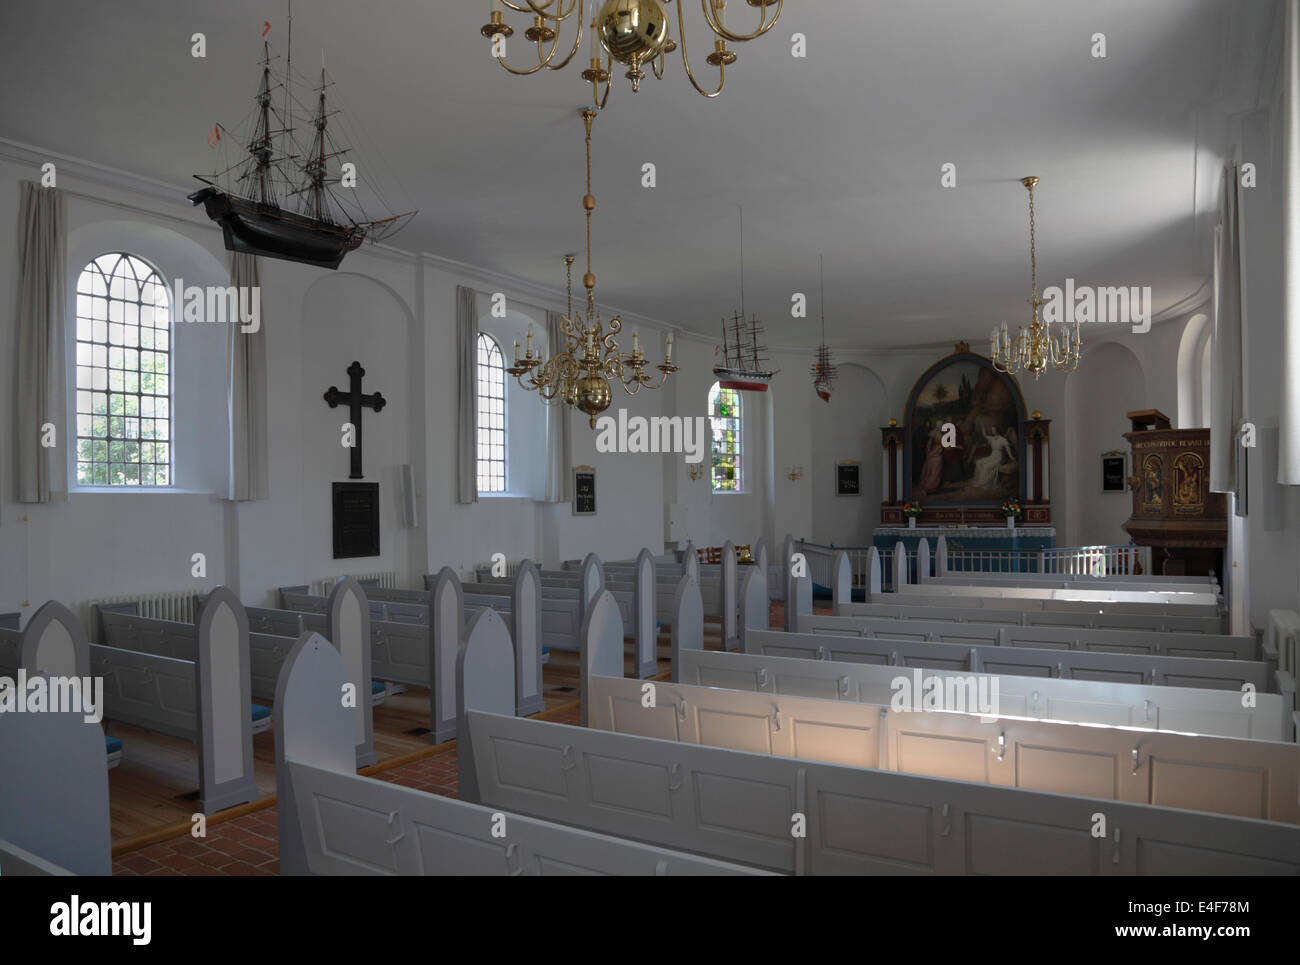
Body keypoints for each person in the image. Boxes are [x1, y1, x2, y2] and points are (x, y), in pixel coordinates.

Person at [972, 425, 1016, 490]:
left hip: (999, 457)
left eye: (994, 430)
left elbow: (1008, 449)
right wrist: (983, 428)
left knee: (986, 466)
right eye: (992, 430)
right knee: (978, 462)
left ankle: (984, 483)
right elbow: (985, 435)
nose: (993, 431)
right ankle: (978, 481)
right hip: (992, 456)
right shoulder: (992, 438)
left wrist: (1011, 457)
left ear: (997, 430)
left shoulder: (1002, 439)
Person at [918, 421, 944, 495]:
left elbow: (928, 445)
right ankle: (928, 489)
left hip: (930, 455)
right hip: (936, 456)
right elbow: (943, 444)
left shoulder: (932, 433)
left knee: (928, 471)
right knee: (934, 473)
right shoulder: (939, 435)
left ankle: (926, 488)